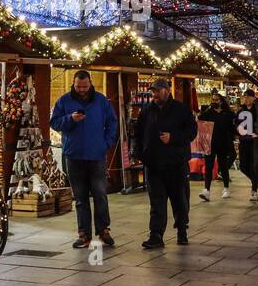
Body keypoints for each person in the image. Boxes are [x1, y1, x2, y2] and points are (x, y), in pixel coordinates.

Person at [49, 70, 118, 249]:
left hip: (97, 155)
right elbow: (55, 123)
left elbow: (112, 122)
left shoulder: (101, 101)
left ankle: (104, 231)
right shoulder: (64, 101)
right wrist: (70, 119)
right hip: (74, 156)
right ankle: (84, 235)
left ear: (90, 83)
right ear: (74, 84)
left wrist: (106, 143)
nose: (81, 90)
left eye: (85, 86)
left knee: (100, 195)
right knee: (80, 198)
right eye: (78, 87)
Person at [133, 78, 197, 247]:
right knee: (157, 202)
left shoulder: (180, 109)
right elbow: (138, 133)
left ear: (167, 91)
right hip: (153, 164)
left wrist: (173, 138)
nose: (154, 94)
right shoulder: (147, 110)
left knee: (180, 200)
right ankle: (156, 235)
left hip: (176, 163)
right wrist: (139, 153)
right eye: (152, 91)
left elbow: (192, 131)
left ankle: (181, 231)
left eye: (157, 91)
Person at [196, 92, 236, 201]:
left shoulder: (228, 113)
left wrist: (231, 140)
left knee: (223, 167)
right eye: (212, 100)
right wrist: (209, 108)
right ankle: (206, 190)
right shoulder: (209, 112)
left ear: (221, 101)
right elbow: (200, 118)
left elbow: (232, 128)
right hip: (210, 144)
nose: (214, 102)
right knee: (208, 167)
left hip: (223, 143)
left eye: (216, 100)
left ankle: (226, 188)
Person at [235, 89, 258, 201]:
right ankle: (255, 181)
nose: (246, 99)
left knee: (253, 165)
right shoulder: (241, 110)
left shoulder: (257, 110)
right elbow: (237, 124)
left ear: (253, 98)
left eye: (248, 97)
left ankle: (254, 188)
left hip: (255, 142)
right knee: (243, 166)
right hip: (243, 141)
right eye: (245, 97)